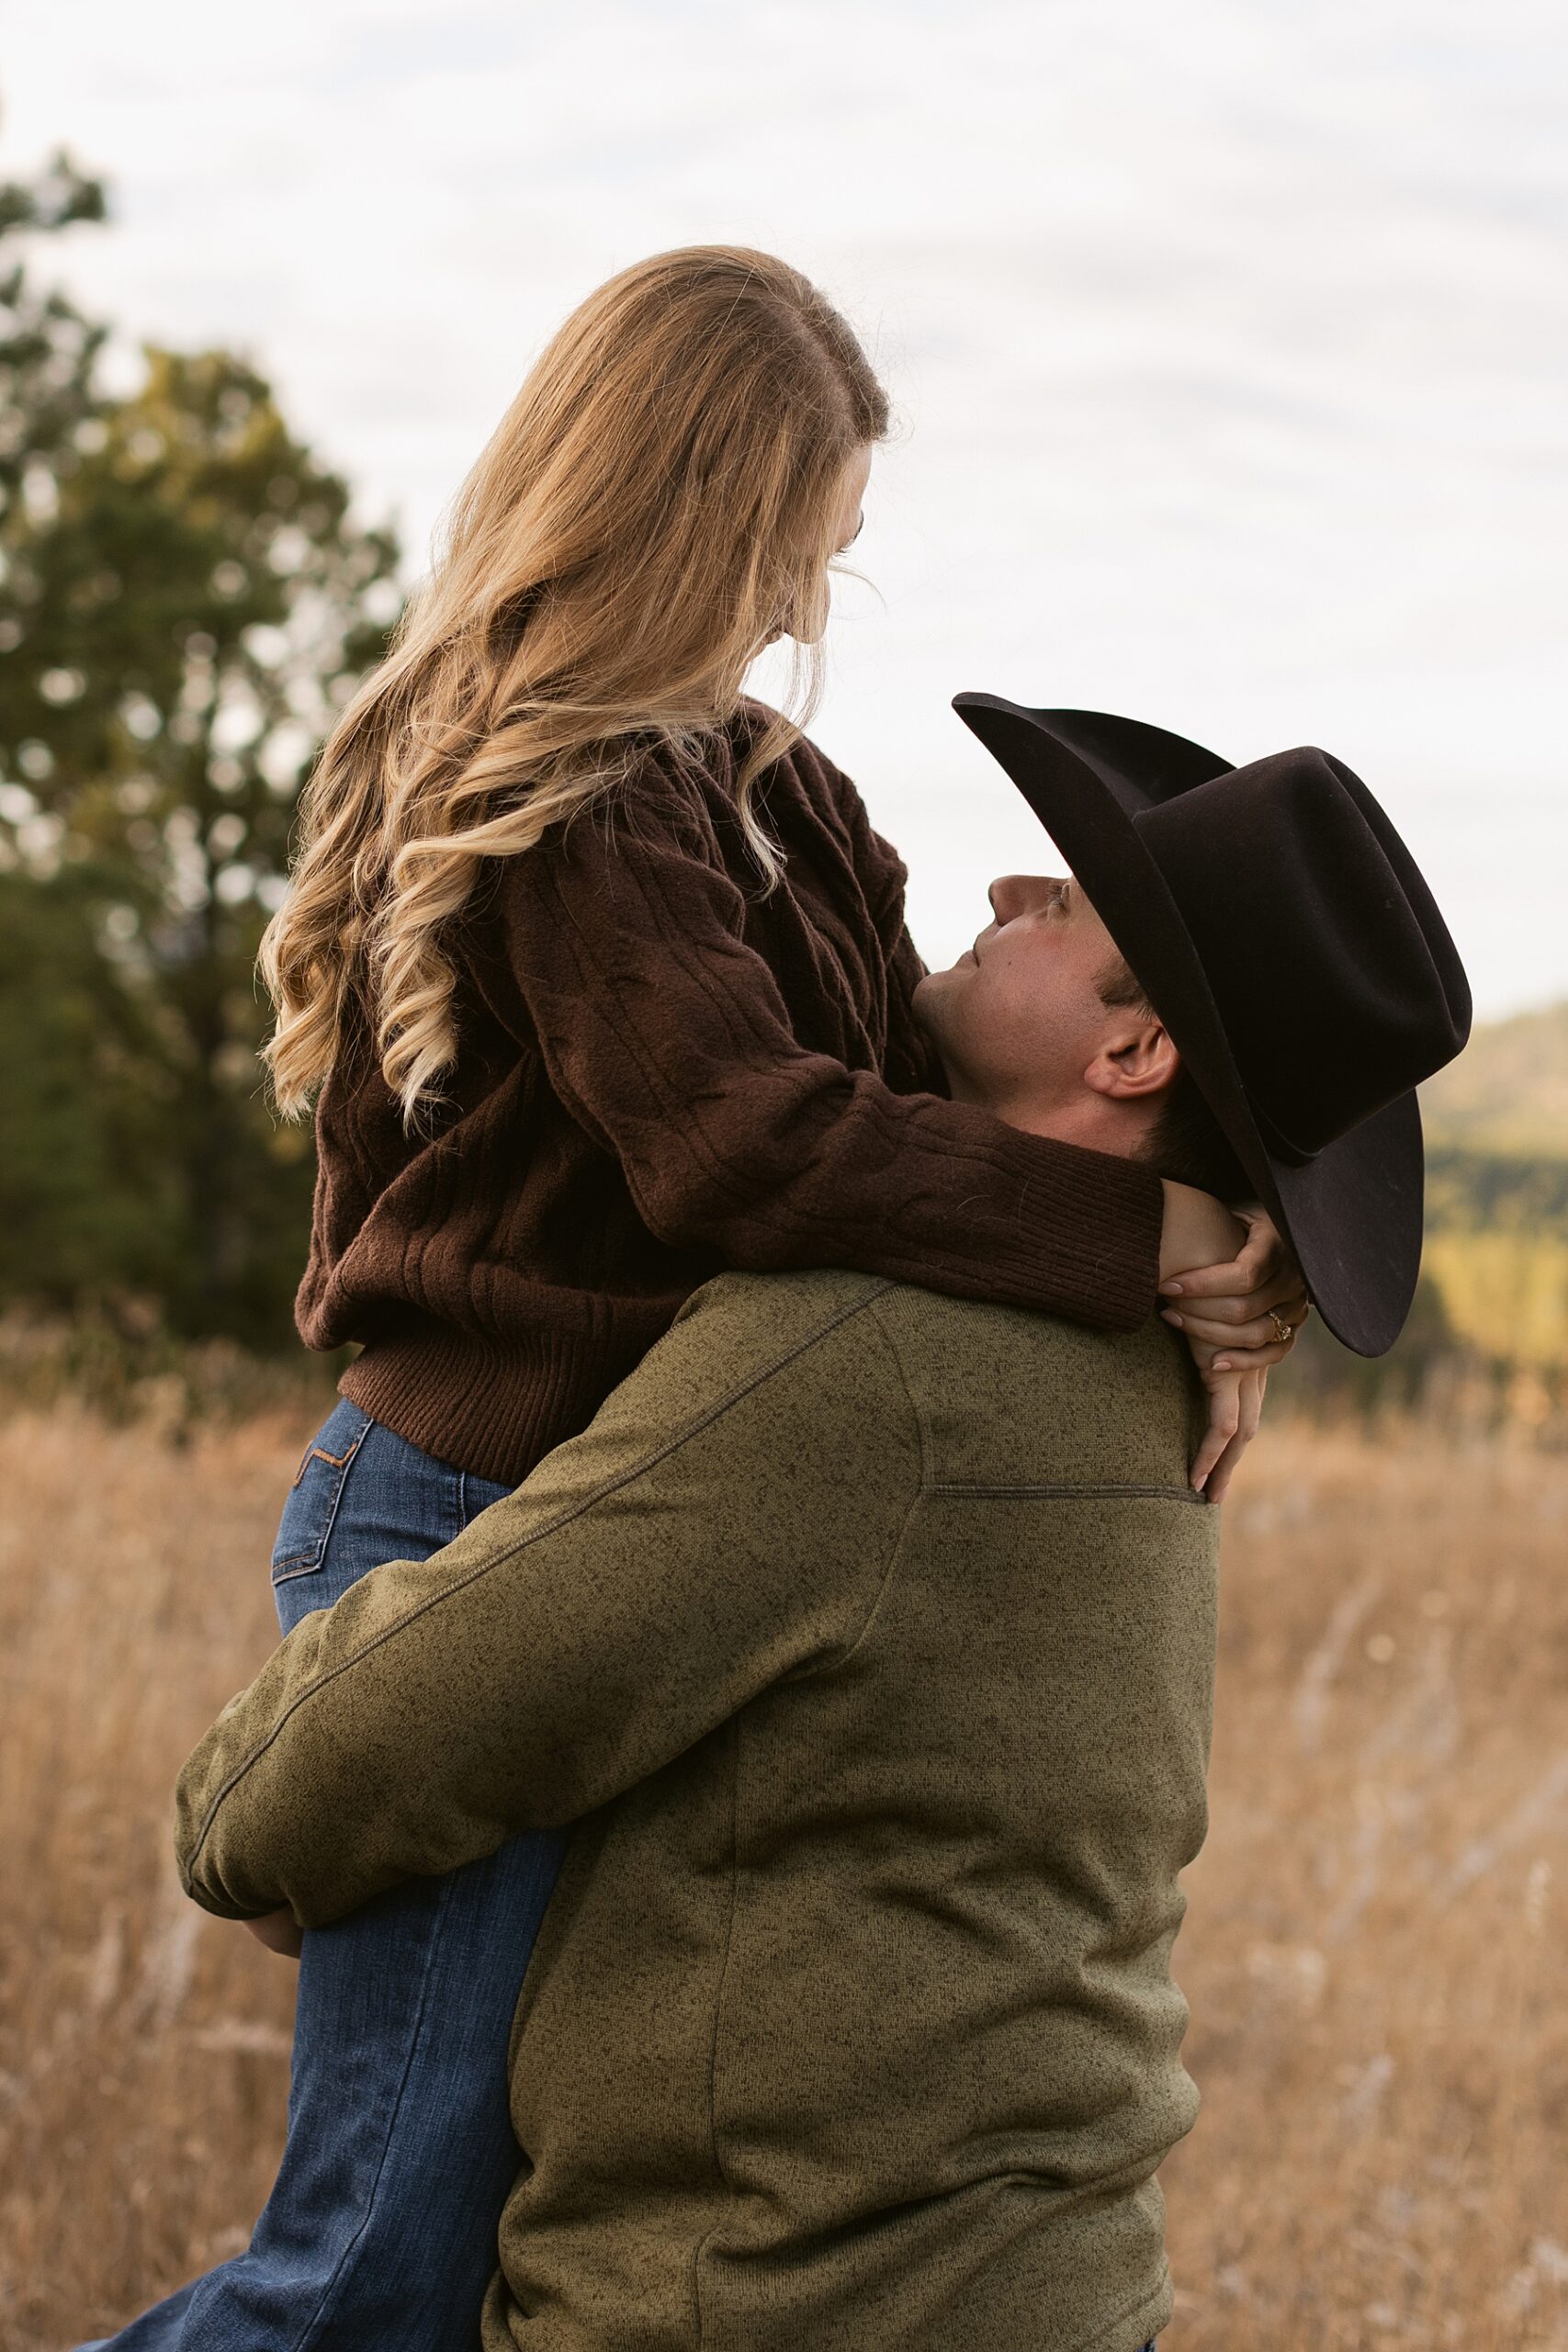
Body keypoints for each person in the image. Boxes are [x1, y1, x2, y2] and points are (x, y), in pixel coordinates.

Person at [77, 250, 1301, 2352]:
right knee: (376, 2263)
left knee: (482, 2236)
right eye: (785, 552)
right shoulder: (561, 781)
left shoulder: (778, 798)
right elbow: (742, 1146)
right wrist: (1137, 1245)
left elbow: (914, 1108)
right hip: (461, 1509)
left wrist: (1219, 1237)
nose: (799, 608)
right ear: (685, 510)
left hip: (651, 1520)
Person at [166, 702, 1470, 2350]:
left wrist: (244, 1824)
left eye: (1064, 902)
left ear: (1132, 1054)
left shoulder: (881, 1360)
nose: (1005, 885)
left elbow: (385, 1732)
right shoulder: (1157, 1362)